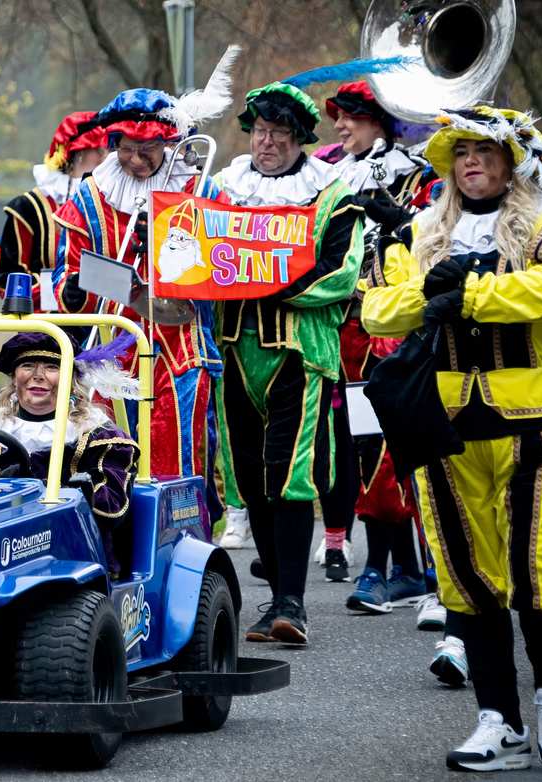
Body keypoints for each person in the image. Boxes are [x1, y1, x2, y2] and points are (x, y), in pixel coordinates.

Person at [361, 105, 542, 771]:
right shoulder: (417, 231)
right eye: (462, 154)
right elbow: (379, 305)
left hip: (538, 419)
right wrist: (429, 297)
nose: (473, 164)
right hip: (443, 425)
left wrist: (466, 293)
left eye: (486, 153)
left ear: (511, 161)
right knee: (468, 575)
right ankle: (499, 719)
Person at [211, 80, 365, 646]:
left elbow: (340, 273)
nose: (266, 142)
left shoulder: (332, 196)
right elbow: (198, 253)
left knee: (290, 475)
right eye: (259, 131)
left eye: (279, 133)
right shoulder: (225, 190)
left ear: (300, 139)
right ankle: (273, 597)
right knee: (250, 479)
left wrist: (268, 284)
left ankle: (292, 603)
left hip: (300, 354)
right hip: (235, 349)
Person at [52, 87, 229, 489]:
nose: (136, 159)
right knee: (108, 460)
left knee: (180, 451)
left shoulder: (200, 188)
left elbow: (223, 267)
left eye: (148, 149)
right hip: (110, 348)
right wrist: (78, 290)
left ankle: (185, 540)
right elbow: (67, 280)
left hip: (181, 344)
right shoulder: (90, 196)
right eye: (127, 148)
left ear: (168, 143)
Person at [320, 81, 431, 600]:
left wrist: (402, 222)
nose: (340, 127)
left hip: (398, 328)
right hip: (350, 331)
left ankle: (398, 569)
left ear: (378, 121)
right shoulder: (337, 177)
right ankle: (394, 568)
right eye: (338, 118)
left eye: (350, 118)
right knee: (362, 447)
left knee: (392, 448)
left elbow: (435, 242)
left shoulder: (415, 175)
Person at [0, 333, 139, 567]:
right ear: (14, 376)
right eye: (27, 366)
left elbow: (111, 511)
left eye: (51, 367)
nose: (37, 376)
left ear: (70, 378)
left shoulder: (99, 436)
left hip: (69, 555)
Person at [0, 111, 106, 302]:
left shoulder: (110, 202)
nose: (106, 157)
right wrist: (62, 292)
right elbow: (7, 283)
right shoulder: (27, 208)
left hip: (104, 321)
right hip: (45, 323)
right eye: (100, 149)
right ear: (79, 153)